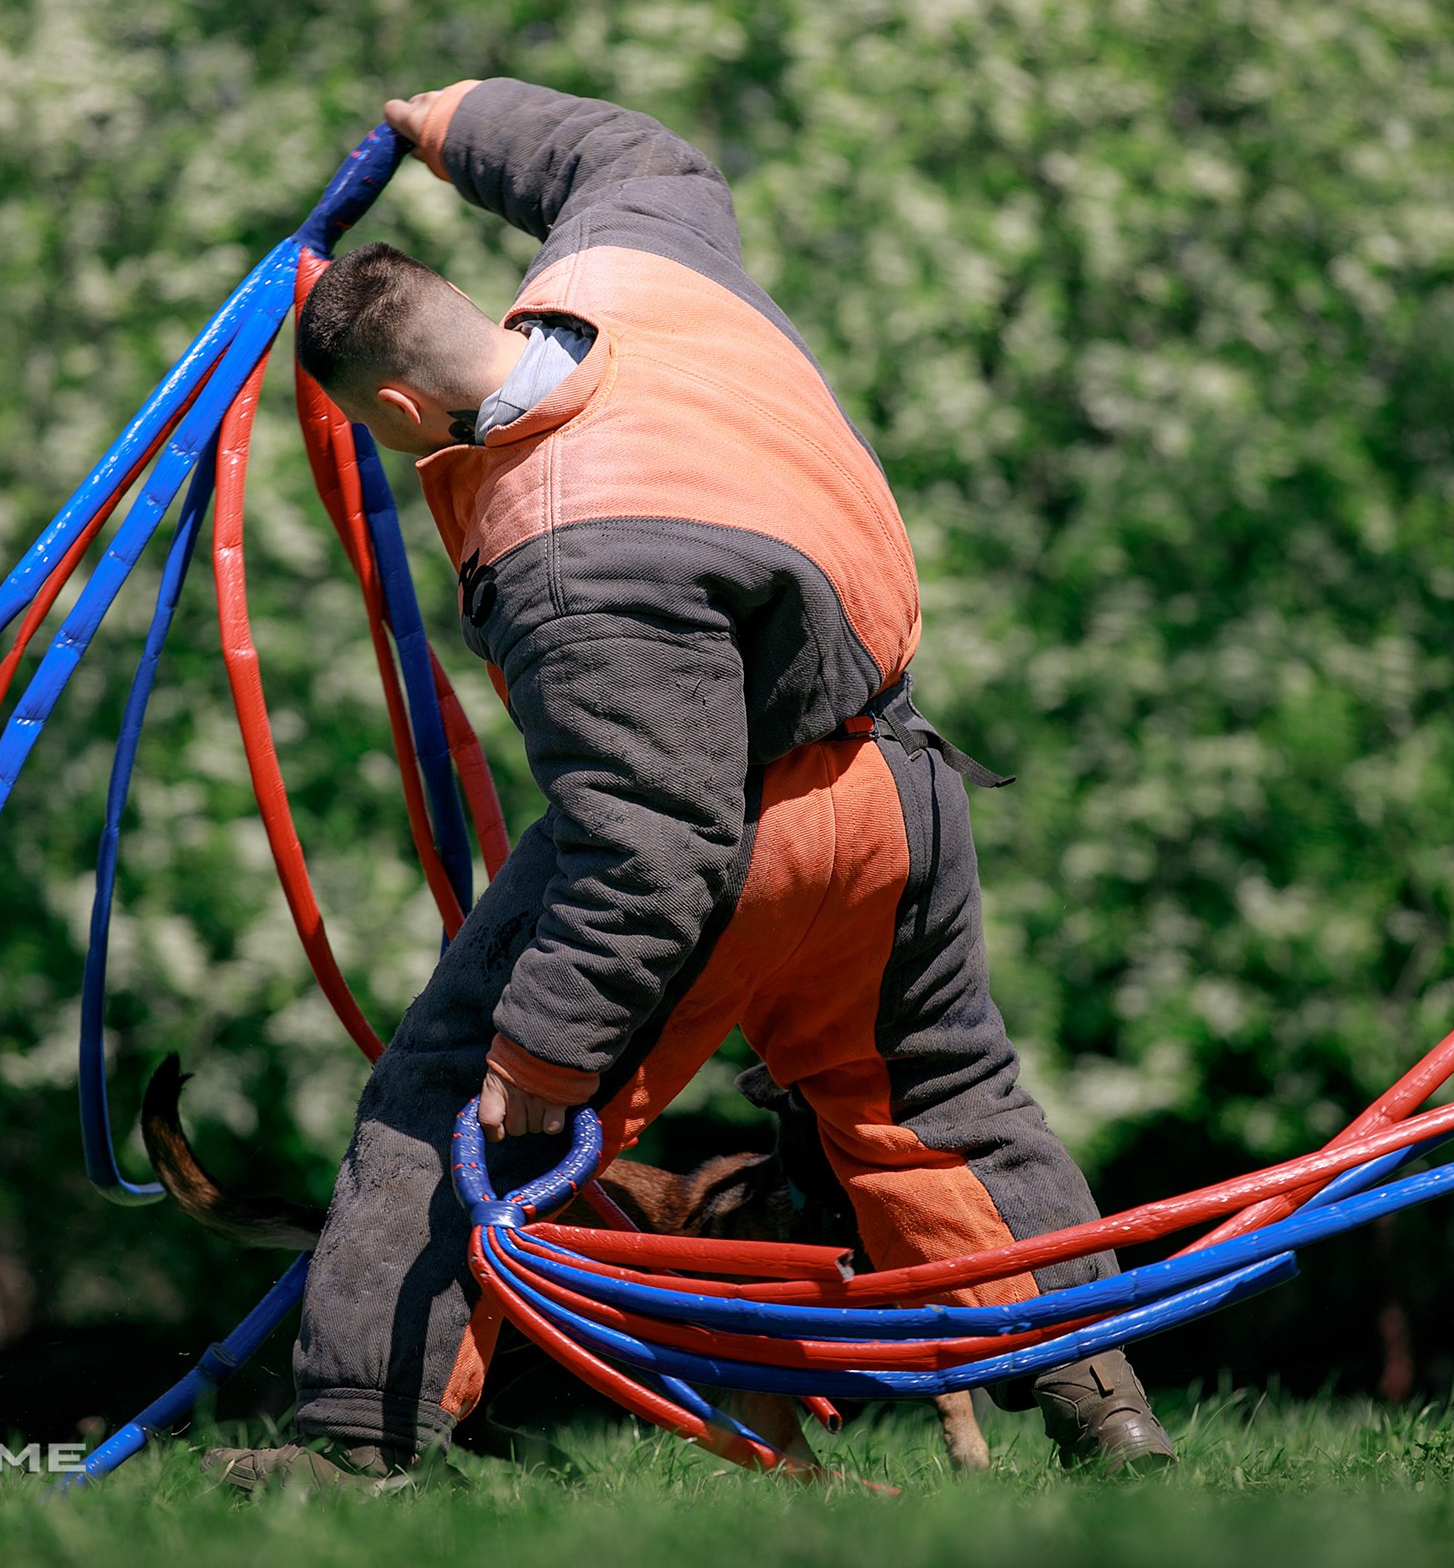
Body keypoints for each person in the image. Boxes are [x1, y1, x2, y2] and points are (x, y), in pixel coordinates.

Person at [208, 79, 1172, 1489]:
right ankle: (1110, 1413)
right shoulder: (632, 266)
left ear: (402, 405)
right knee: (947, 1108)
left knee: (435, 1098)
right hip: (897, 793)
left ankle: (361, 1447)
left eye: (382, 431)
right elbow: (630, 148)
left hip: (733, 839)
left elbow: (658, 845)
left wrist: (540, 1055)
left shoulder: (564, 555)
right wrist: (448, 120)